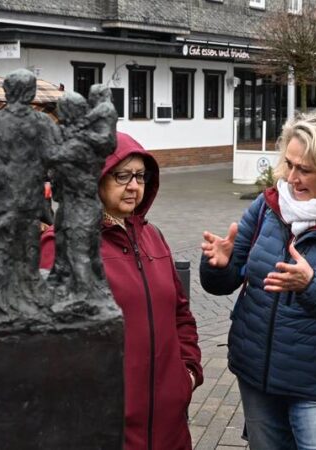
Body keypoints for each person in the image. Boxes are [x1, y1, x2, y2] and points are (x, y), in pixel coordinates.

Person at [200, 111, 316, 450]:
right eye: (289, 164)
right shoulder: (268, 206)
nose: (291, 178)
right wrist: (219, 264)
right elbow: (222, 283)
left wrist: (312, 286)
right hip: (257, 377)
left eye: (304, 169)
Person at [39, 132, 203, 450]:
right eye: (122, 175)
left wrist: (188, 373)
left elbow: (180, 313)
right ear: (96, 179)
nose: (133, 186)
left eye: (140, 176)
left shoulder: (153, 237)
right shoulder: (65, 245)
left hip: (169, 428)